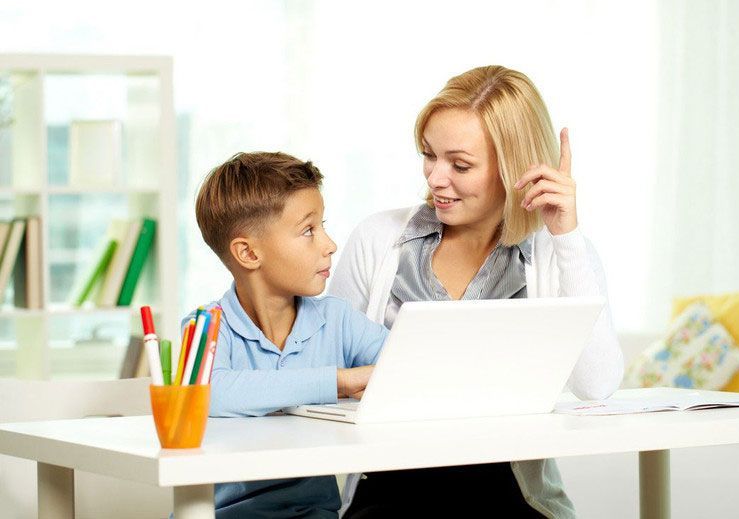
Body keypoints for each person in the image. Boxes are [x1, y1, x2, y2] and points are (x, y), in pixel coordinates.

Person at [329, 65, 623, 518]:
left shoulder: (555, 253)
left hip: (509, 494)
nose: (435, 178)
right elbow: (331, 373)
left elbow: (596, 386)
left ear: (512, 168)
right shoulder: (378, 240)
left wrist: (566, 236)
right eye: (429, 154)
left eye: (460, 165)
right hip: (388, 490)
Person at [189, 151, 389, 518]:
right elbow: (208, 394)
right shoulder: (205, 327)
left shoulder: (337, 320)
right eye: (308, 230)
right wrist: (340, 381)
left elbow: (408, 363)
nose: (329, 244)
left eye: (323, 226)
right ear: (248, 253)